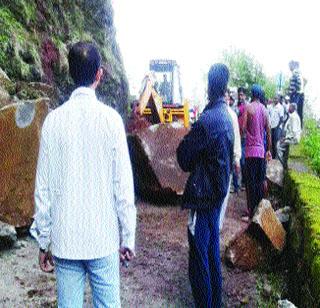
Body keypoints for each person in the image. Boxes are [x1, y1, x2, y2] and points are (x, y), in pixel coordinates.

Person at [30, 42, 136, 307]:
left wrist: (44, 239)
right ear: (99, 74)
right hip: (103, 239)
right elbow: (123, 185)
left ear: (70, 74)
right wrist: (128, 236)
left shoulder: (53, 121)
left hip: (66, 241)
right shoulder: (112, 121)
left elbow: (43, 187)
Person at [177, 63, 234, 308]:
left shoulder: (207, 120)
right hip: (217, 196)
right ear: (226, 88)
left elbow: (183, 157)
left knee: (199, 257)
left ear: (210, 86)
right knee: (211, 253)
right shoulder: (227, 117)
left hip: (203, 197)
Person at [243, 84, 272, 218]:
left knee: (250, 183)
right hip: (261, 151)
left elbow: (243, 128)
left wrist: (247, 135)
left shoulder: (248, 108)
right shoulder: (265, 111)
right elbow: (269, 131)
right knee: (261, 181)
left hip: (249, 151)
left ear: (252, 94)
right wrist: (268, 150)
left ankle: (250, 212)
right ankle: (261, 211)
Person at [219, 90, 241, 230]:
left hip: (220, 162)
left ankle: (216, 226)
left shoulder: (208, 112)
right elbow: (236, 140)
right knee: (222, 197)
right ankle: (218, 225)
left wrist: (237, 158)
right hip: (225, 162)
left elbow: (236, 139)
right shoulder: (231, 115)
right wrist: (237, 159)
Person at [277, 103, 301, 168]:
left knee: (278, 146)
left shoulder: (294, 117)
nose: (288, 108)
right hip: (290, 137)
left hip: (293, 138)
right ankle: (285, 165)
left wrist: (285, 138)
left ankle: (282, 164)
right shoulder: (293, 116)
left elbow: (294, 131)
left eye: (290, 107)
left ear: (293, 108)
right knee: (286, 149)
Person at [289, 60, 304, 127]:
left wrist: (292, 93)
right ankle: (298, 126)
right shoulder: (298, 72)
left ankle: (295, 127)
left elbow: (298, 83)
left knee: (293, 111)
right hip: (297, 94)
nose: (289, 68)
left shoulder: (295, 72)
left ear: (293, 65)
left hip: (295, 95)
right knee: (297, 112)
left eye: (290, 66)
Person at [237, 87, 247, 189]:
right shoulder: (238, 105)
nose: (240, 97)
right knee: (238, 159)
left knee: (242, 160)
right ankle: (239, 182)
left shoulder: (245, 107)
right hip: (238, 135)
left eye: (241, 95)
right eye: (239, 95)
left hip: (243, 136)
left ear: (245, 96)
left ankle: (243, 182)